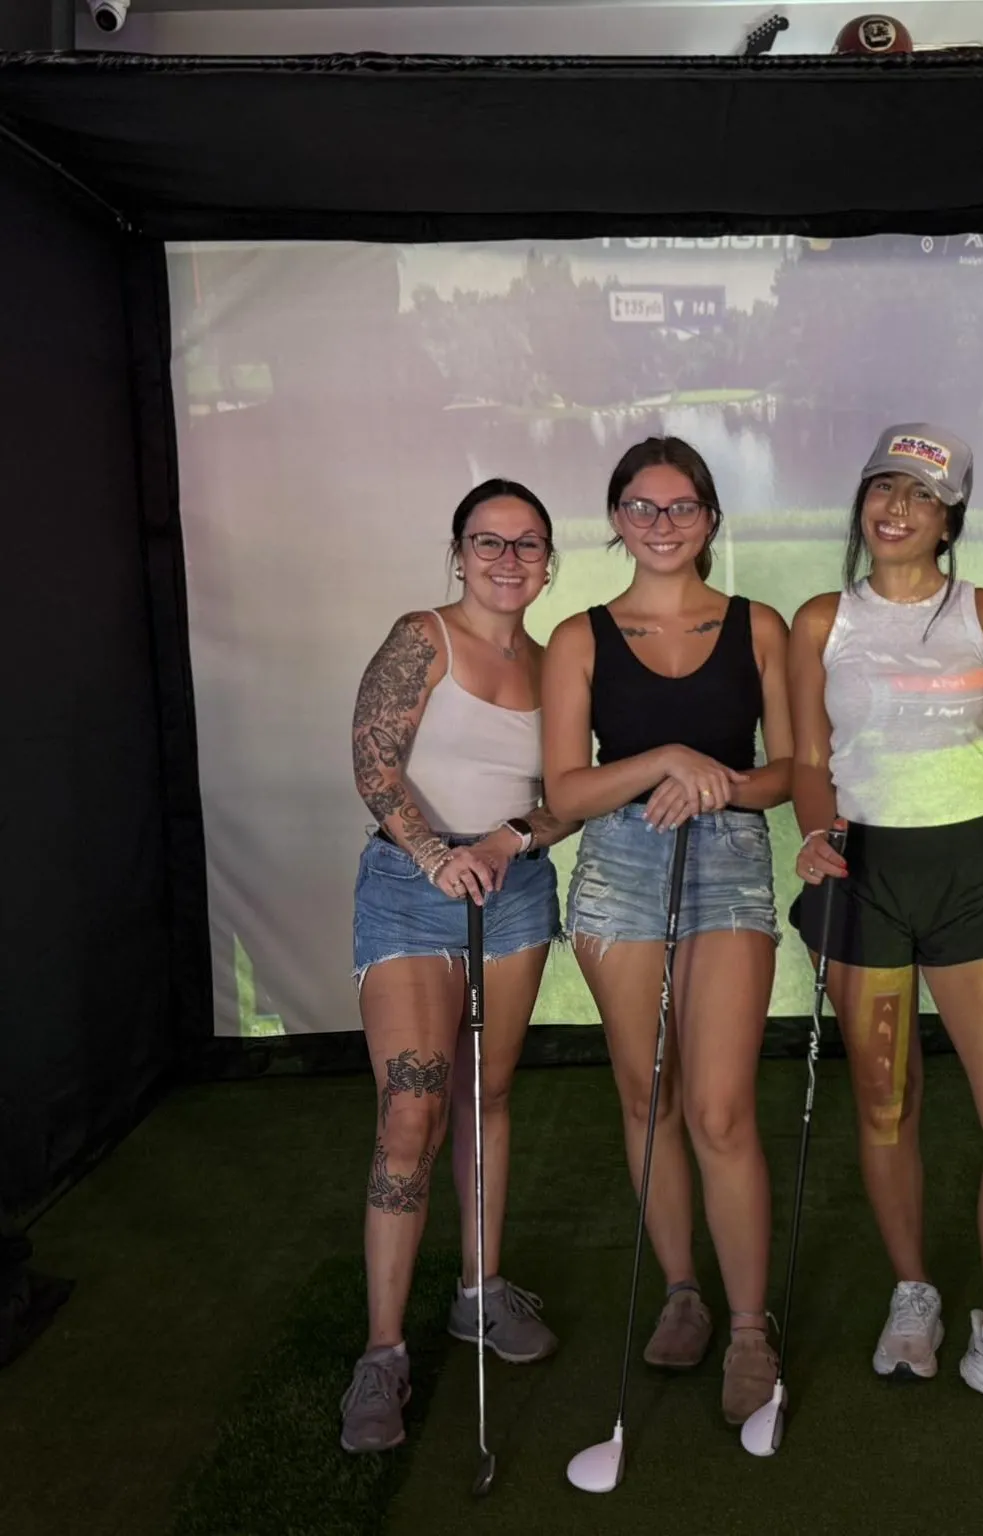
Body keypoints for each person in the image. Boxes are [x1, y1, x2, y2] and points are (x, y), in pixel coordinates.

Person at [787, 423, 983, 1427]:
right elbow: (807, 753)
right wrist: (811, 830)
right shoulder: (819, 621)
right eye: (884, 487)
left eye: (922, 496)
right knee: (888, 1104)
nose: (896, 508)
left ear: (950, 516)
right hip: (865, 874)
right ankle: (912, 1292)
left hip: (970, 869)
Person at [540, 436, 794, 1428]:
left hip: (727, 862)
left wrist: (714, 782)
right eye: (641, 508)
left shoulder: (758, 627)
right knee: (650, 1093)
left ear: (711, 520)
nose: (660, 523)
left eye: (680, 506)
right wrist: (672, 756)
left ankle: (745, 1327)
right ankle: (682, 1290)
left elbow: (791, 771)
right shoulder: (579, 637)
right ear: (615, 519)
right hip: (616, 867)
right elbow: (567, 788)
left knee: (720, 1108)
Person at [340, 477, 579, 1453]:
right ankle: (383, 1353)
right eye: (490, 541)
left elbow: (569, 794)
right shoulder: (422, 638)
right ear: (459, 551)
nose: (508, 559)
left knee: (489, 1092)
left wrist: (509, 840)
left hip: (513, 891)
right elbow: (372, 755)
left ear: (549, 561)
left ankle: (478, 1292)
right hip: (410, 886)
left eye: (527, 545)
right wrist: (441, 855)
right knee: (413, 1113)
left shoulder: (562, 662)